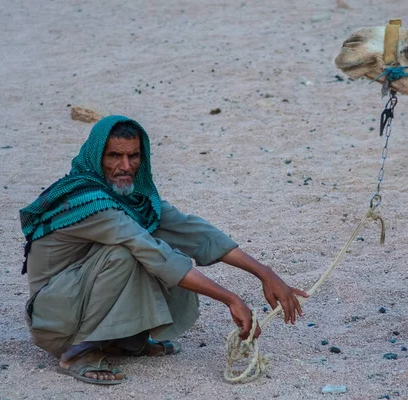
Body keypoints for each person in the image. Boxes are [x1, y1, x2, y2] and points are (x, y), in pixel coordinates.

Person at [20, 115, 308, 385]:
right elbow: (155, 254)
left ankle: (120, 341)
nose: (125, 166)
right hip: (55, 319)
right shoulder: (87, 200)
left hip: (78, 299)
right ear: (97, 157)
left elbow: (194, 233)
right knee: (132, 252)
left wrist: (264, 273)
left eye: (133, 156)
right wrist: (231, 299)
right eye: (114, 156)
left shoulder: (134, 199)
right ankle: (77, 352)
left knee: (157, 239)